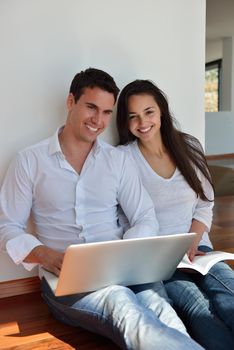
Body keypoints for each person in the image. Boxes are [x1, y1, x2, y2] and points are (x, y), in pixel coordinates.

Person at [0, 68, 204, 350]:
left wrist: (125, 254)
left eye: (107, 112)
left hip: (124, 270)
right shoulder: (28, 161)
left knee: (165, 313)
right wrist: (43, 254)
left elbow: (145, 216)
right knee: (124, 310)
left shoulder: (117, 161)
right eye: (91, 107)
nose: (98, 121)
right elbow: (7, 226)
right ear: (71, 102)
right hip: (66, 283)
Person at [116, 79, 234, 350]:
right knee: (196, 307)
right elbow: (122, 218)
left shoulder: (189, 146)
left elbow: (205, 203)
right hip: (159, 257)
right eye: (133, 116)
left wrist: (192, 241)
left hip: (197, 246)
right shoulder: (122, 158)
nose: (142, 122)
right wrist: (163, 252)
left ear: (161, 112)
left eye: (148, 112)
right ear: (125, 121)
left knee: (228, 291)